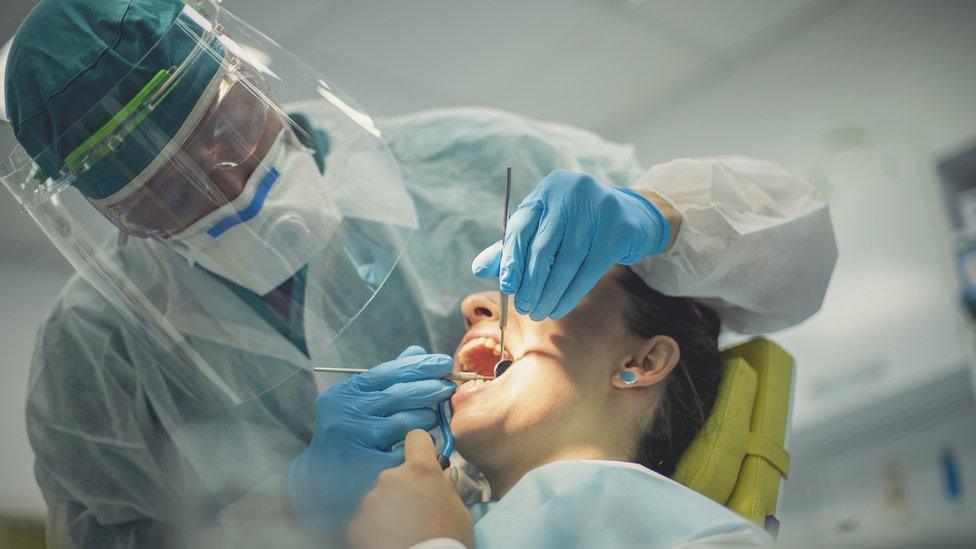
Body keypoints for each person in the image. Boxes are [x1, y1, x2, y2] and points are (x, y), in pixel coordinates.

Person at [0, 0, 836, 546]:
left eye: (222, 131)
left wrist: (664, 217)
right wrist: (288, 515)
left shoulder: (467, 164)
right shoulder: (100, 358)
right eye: (162, 191)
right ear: (108, 213)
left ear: (241, 73)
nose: (218, 183)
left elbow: (787, 261)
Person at [349, 267, 768, 548]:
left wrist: (432, 542)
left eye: (548, 283)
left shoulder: (705, 538)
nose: (473, 304)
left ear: (642, 363)